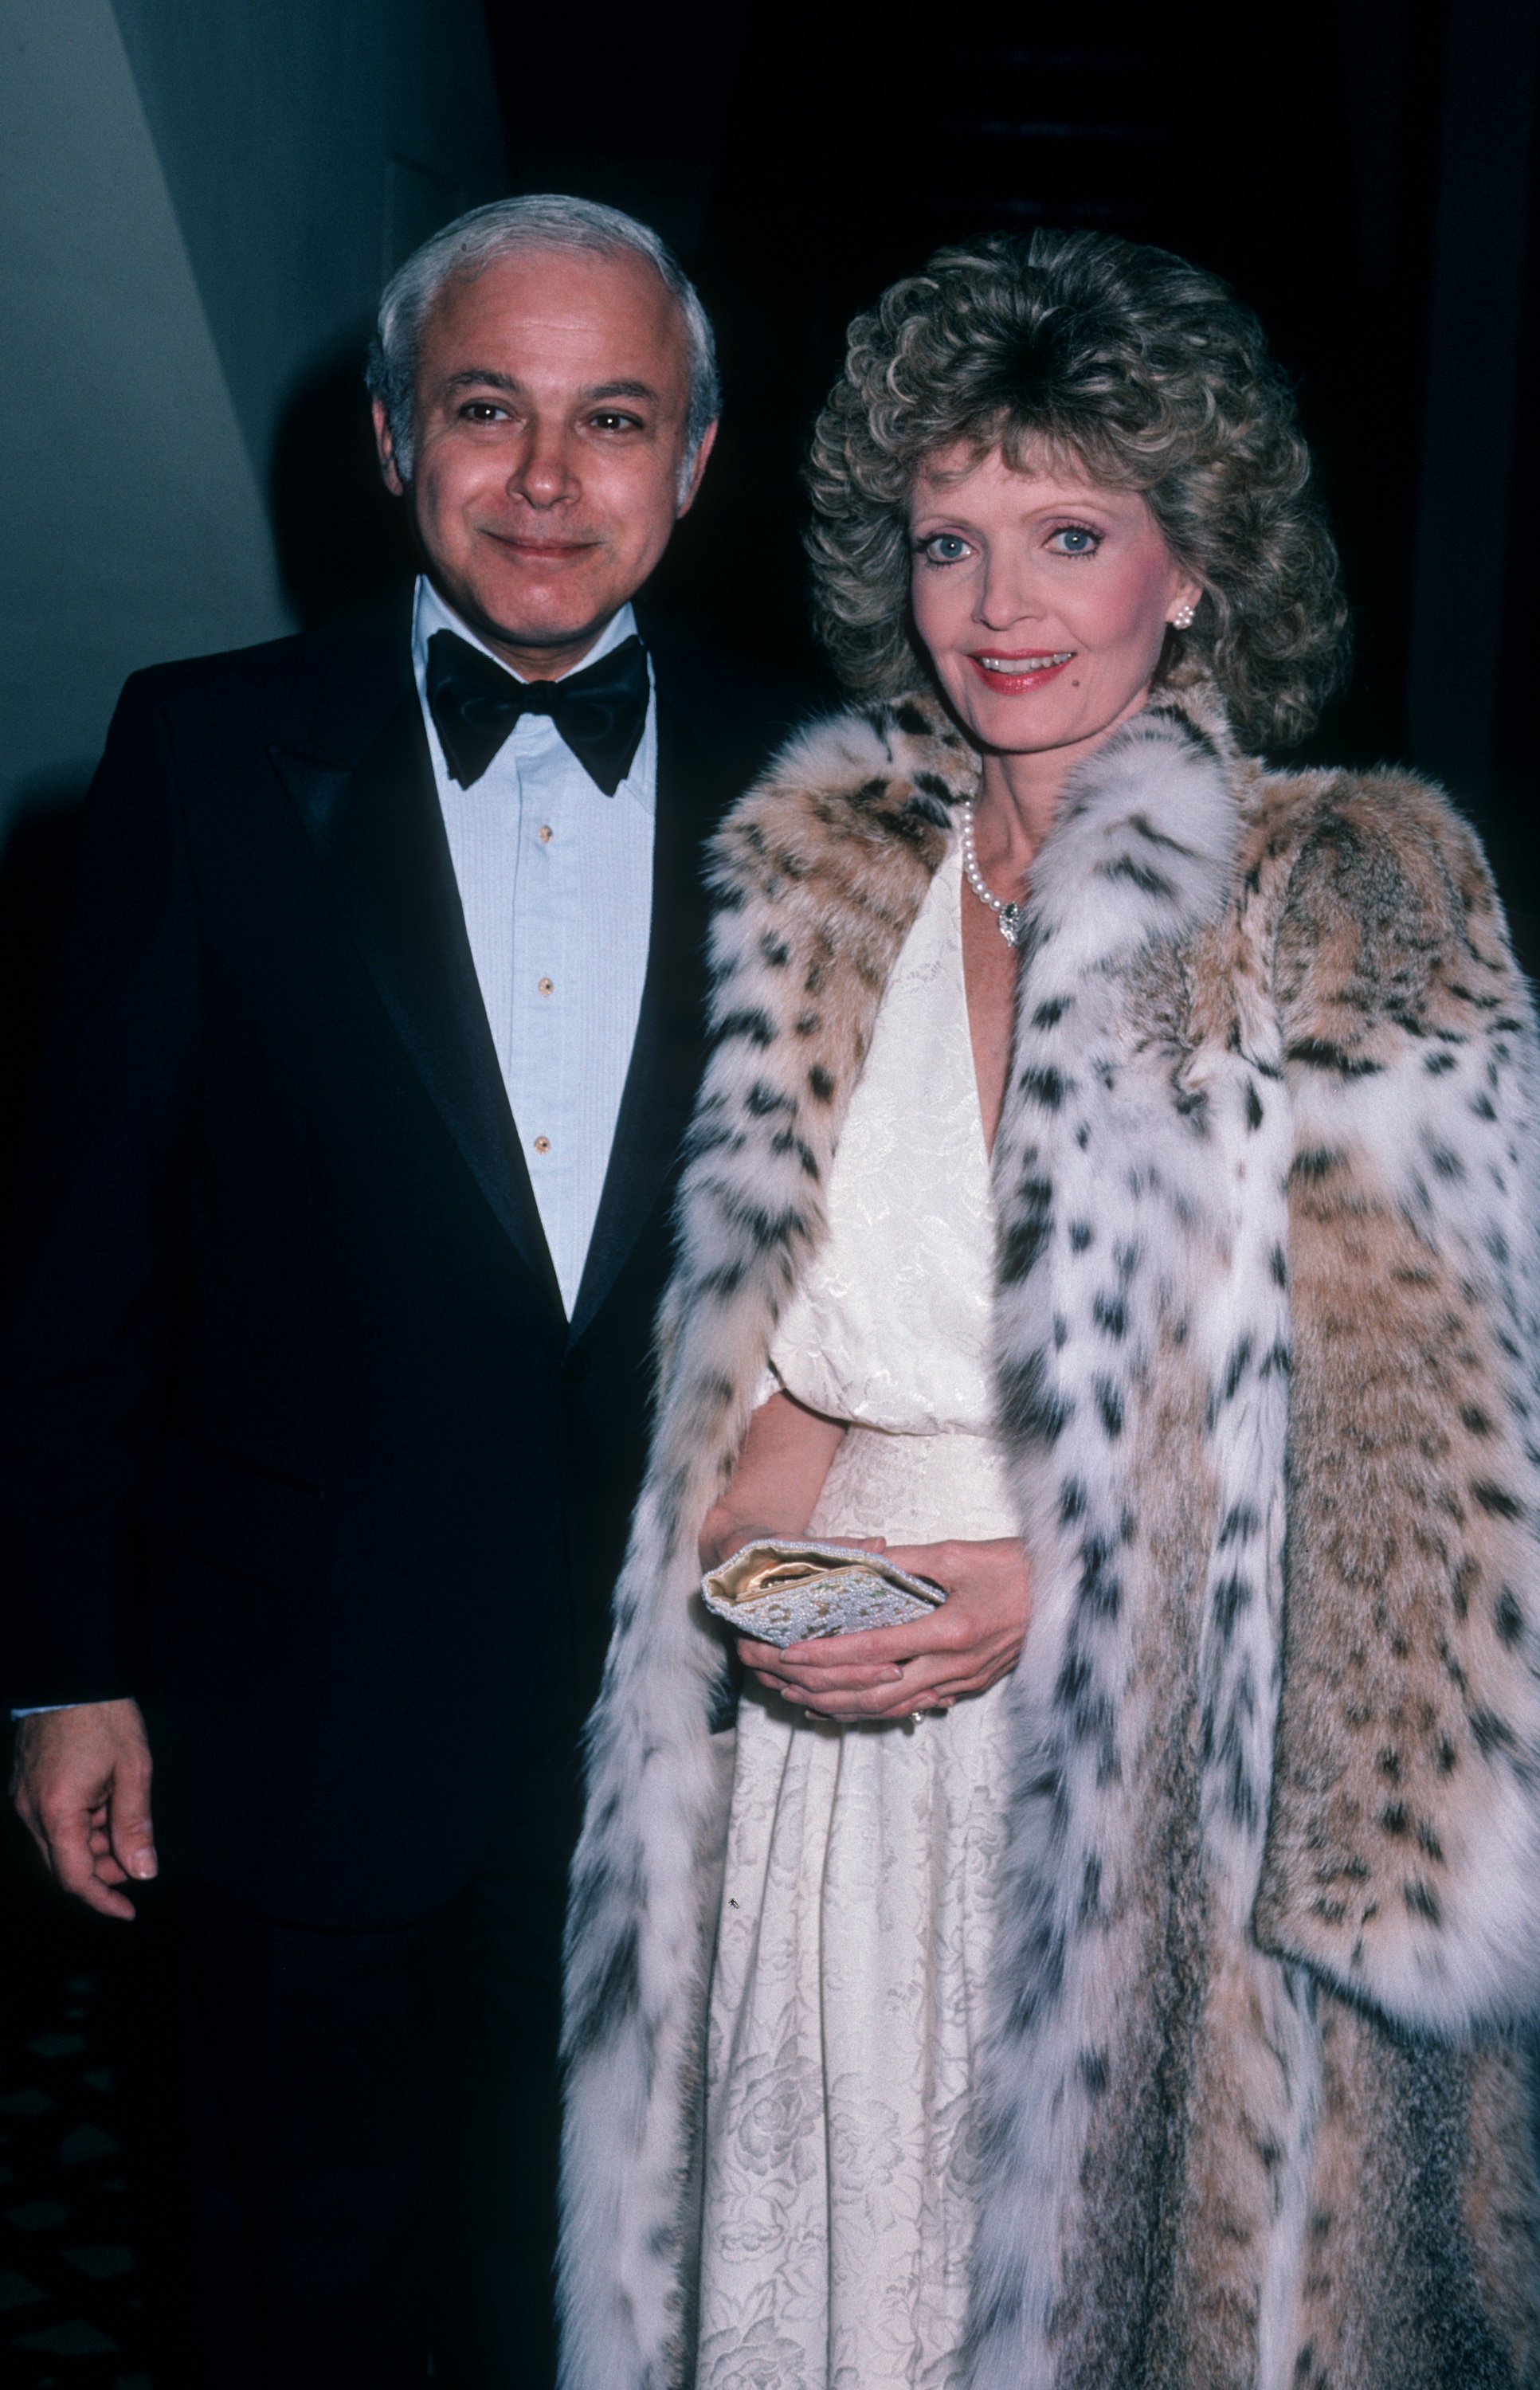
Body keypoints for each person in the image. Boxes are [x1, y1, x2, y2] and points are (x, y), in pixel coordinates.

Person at [558, 227, 1540, 2390]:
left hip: (1164, 1803)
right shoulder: (822, 884)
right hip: (832, 1799)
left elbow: (1427, 1482)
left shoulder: (1354, 891)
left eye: (1068, 534)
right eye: (948, 540)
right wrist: (757, 1565)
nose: (996, 606)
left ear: (1192, 570)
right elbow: (776, 1369)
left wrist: (1057, 1589)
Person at [2, 194, 803, 2388]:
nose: (549, 481)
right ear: (386, 439)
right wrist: (63, 1664)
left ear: (695, 461)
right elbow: (85, 1262)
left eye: (611, 419)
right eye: (487, 411)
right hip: (292, 1726)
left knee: (639, 2307)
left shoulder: (842, 792)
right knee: (299, 2300)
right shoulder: (193, 757)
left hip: (702, 1747)